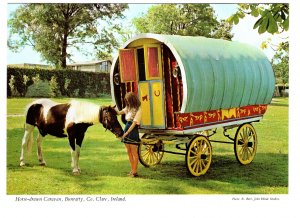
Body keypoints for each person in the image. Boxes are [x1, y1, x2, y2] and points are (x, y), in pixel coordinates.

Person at [116, 92, 142, 177]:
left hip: (132, 130)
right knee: (128, 151)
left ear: (132, 100)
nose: (127, 102)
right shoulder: (128, 108)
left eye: (128, 100)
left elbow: (134, 124)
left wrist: (126, 133)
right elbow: (119, 113)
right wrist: (111, 109)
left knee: (134, 151)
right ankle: (132, 170)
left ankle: (135, 171)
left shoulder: (139, 109)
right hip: (127, 128)